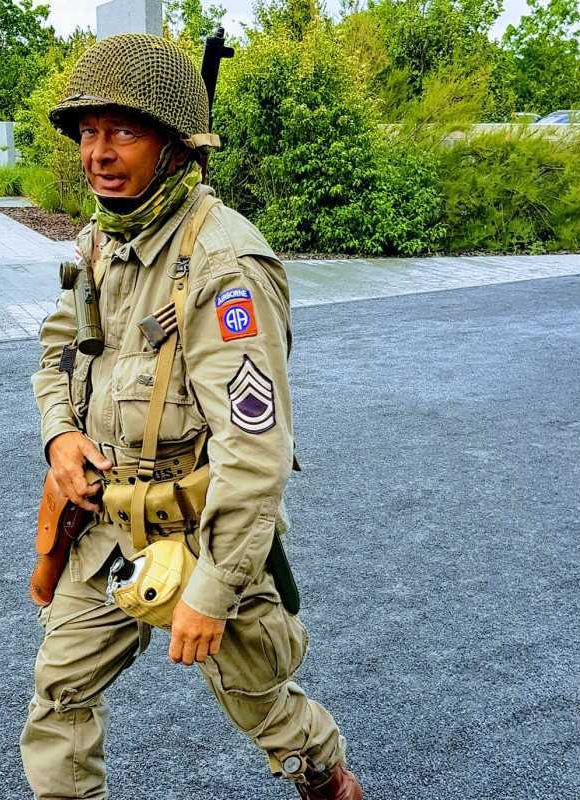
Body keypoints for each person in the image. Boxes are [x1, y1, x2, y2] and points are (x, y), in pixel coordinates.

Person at [20, 33, 363, 800]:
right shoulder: (103, 243)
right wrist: (60, 433)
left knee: (256, 702)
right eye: (88, 131)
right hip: (106, 523)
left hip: (204, 528)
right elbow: (57, 354)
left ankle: (325, 773)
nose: (97, 153)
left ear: (175, 146)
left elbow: (257, 455)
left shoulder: (224, 268)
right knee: (59, 690)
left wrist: (210, 593)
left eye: (124, 131)